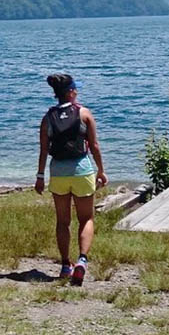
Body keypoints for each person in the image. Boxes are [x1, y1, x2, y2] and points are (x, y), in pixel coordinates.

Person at [34, 73, 108, 285]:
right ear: (71, 92)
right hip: (82, 171)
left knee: (63, 221)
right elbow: (94, 146)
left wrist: (40, 176)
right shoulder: (84, 113)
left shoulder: (47, 117)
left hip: (58, 172)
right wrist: (101, 171)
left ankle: (66, 265)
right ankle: (82, 261)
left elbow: (43, 150)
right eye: (76, 89)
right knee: (86, 218)